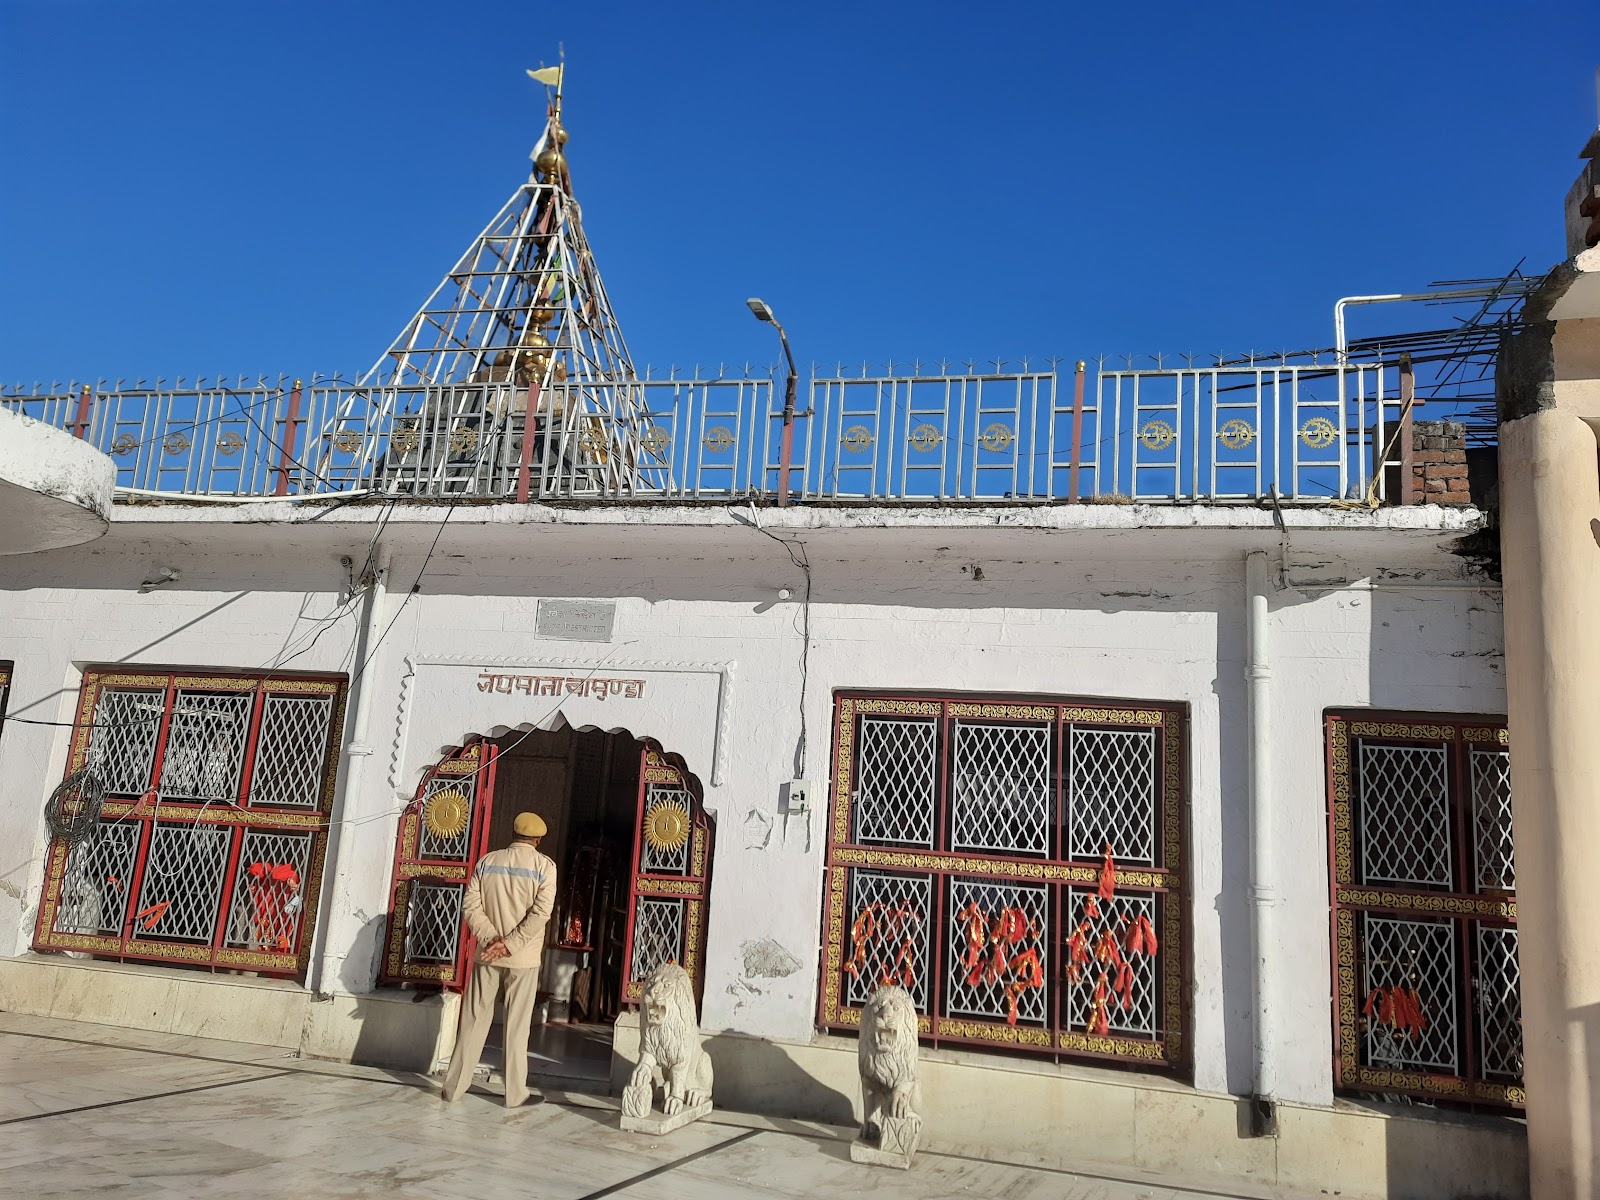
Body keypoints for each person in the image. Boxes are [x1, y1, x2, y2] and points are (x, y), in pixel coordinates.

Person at [440, 811, 558, 1107]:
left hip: (487, 956)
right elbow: (541, 914)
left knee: (473, 1021)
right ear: (538, 839)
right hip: (523, 958)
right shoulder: (545, 867)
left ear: (514, 834)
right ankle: (515, 1094)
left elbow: (470, 905)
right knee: (517, 1027)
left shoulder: (488, 861)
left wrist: (490, 939)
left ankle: (453, 1088)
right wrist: (511, 944)